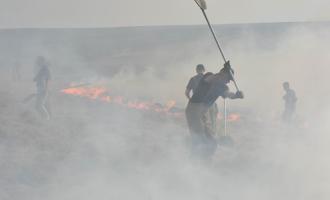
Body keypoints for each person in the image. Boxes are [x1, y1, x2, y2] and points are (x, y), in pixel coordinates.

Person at [185, 61, 244, 159]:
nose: (228, 81)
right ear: (222, 74)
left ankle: (205, 161)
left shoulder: (223, 87)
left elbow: (229, 95)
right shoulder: (209, 76)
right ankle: (194, 162)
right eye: (228, 78)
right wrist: (224, 72)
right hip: (193, 111)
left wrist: (236, 96)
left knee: (212, 142)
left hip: (202, 114)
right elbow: (211, 79)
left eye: (230, 79)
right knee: (199, 140)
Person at [185, 64, 219, 139]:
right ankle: (214, 139)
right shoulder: (210, 78)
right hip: (211, 104)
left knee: (201, 124)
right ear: (204, 70)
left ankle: (202, 141)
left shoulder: (193, 79)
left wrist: (191, 100)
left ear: (196, 70)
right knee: (212, 122)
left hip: (198, 105)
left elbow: (187, 92)